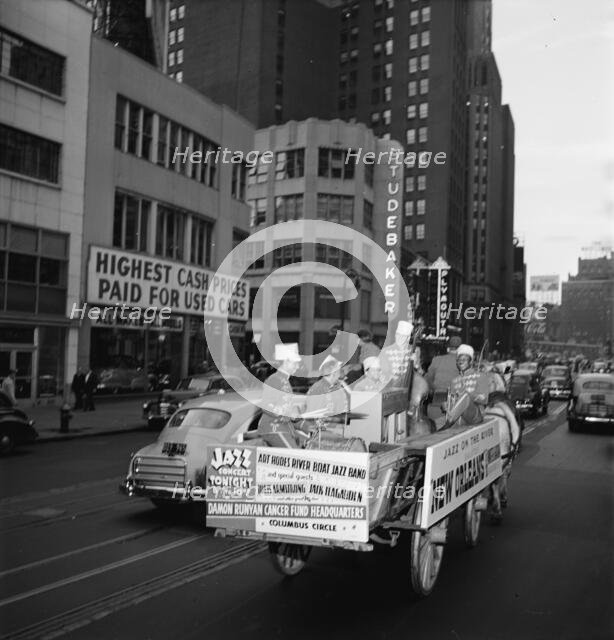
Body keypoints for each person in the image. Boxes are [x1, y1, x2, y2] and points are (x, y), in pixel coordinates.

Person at [257, 343, 304, 448]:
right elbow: (265, 404)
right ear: (286, 362)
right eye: (295, 363)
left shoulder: (284, 380)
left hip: (282, 427)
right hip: (272, 427)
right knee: (294, 456)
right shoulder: (275, 379)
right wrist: (283, 414)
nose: (297, 366)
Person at [447, 345, 490, 426]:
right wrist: (447, 405)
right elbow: (452, 400)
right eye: (459, 360)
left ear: (470, 361)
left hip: (476, 416)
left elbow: (484, 399)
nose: (460, 362)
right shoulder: (454, 381)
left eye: (464, 359)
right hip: (458, 417)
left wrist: (468, 395)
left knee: (465, 397)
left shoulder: (480, 376)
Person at [380, 320, 421, 387]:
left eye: (403, 336)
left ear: (408, 338)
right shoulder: (386, 351)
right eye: (398, 335)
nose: (399, 338)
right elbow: (383, 372)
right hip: (392, 386)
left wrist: (416, 364)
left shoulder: (415, 350)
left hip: (410, 386)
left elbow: (420, 372)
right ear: (395, 335)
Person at [425, 336, 462, 406]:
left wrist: (434, 389)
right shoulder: (462, 362)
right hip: (456, 399)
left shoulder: (437, 360)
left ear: (448, 348)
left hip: (438, 396)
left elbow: (428, 379)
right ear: (460, 349)